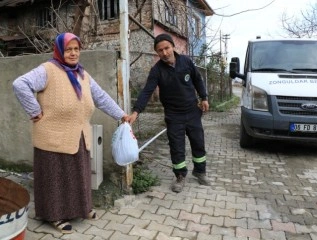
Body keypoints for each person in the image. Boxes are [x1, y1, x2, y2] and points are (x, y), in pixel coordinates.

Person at [12, 32, 128, 234]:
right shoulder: (48, 70)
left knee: (78, 175)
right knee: (55, 178)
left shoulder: (82, 74)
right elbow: (20, 84)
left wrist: (122, 115)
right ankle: (55, 216)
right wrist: (34, 110)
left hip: (79, 135)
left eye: (76, 49)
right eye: (68, 49)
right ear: (59, 50)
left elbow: (100, 97)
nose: (73, 53)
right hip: (52, 136)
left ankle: (80, 209)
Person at [125, 33, 210, 193]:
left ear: (173, 47)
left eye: (166, 48)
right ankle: (180, 176)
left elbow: (198, 79)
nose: (164, 53)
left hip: (192, 111)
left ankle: (200, 171)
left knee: (198, 142)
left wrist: (204, 97)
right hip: (173, 115)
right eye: (160, 50)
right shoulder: (157, 71)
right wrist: (136, 111)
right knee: (177, 147)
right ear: (157, 52)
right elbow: (146, 91)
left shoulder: (186, 62)